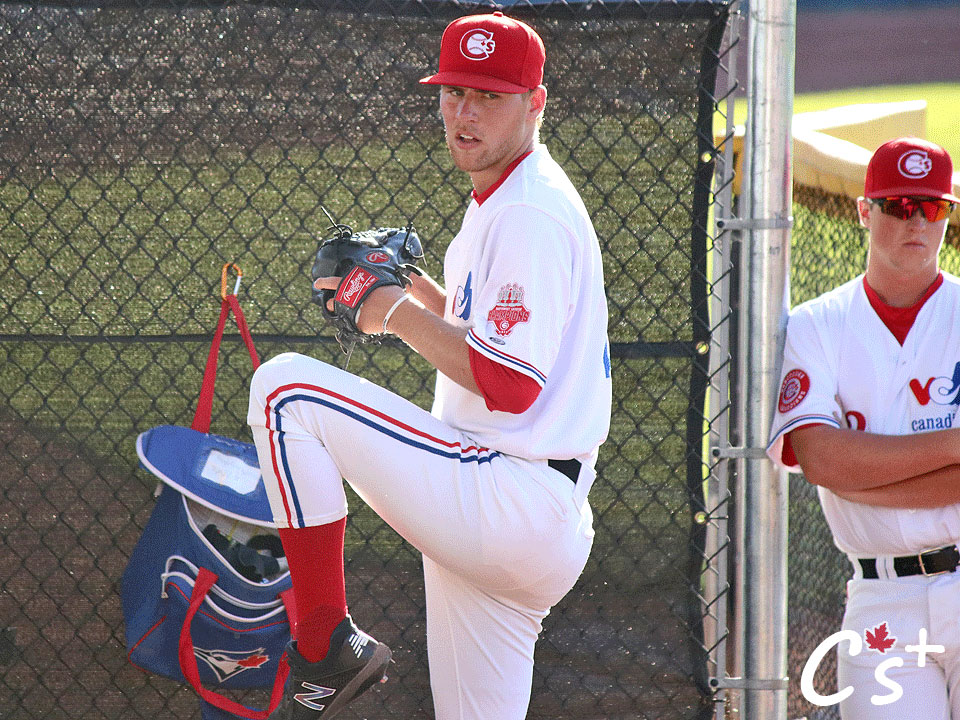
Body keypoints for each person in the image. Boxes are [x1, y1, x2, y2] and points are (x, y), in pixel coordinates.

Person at [246, 12, 612, 719]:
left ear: (535, 103)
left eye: (489, 96)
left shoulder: (530, 212)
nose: (464, 113)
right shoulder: (512, 197)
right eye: (453, 93)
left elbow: (508, 383)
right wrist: (410, 287)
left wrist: (387, 308)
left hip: (507, 492)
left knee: (285, 391)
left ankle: (324, 642)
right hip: (520, 507)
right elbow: (491, 340)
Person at [767, 136, 960, 718]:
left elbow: (840, 469)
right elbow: (823, 461)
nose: (917, 223)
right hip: (881, 602)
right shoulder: (816, 325)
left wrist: (863, 479)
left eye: (933, 208)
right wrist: (952, 445)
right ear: (863, 210)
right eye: (899, 206)